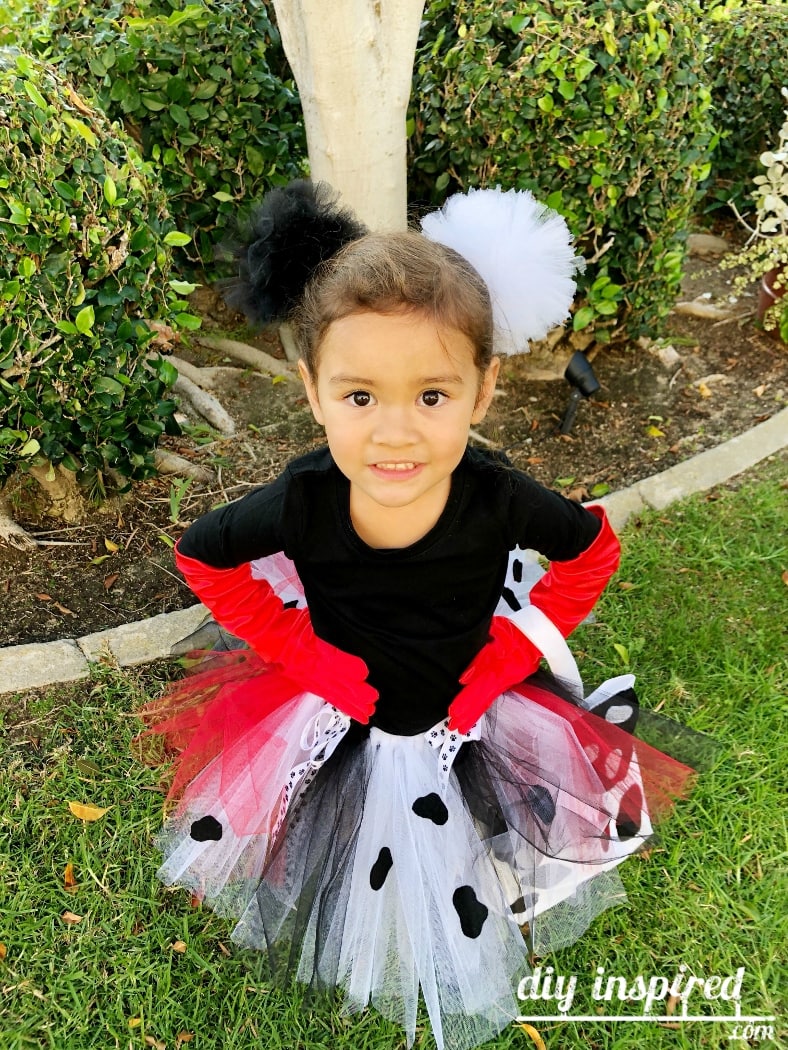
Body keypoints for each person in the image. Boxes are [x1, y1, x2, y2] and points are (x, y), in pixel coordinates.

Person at [140, 183, 695, 1050]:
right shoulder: (302, 501)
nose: (394, 433)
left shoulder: (498, 496)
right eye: (360, 397)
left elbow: (591, 553)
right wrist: (299, 650)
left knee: (472, 828)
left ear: (483, 390)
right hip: (342, 709)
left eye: (432, 396)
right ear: (313, 391)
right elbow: (202, 558)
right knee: (351, 835)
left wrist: (510, 651)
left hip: (469, 705)